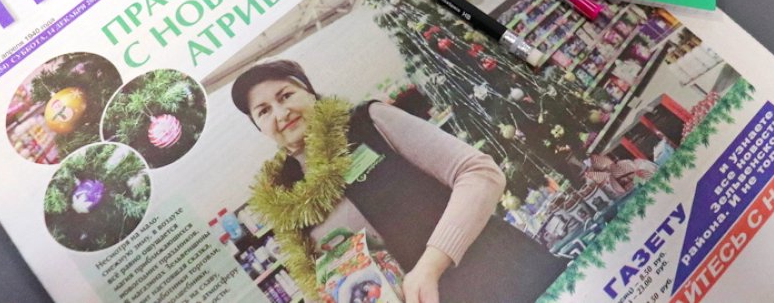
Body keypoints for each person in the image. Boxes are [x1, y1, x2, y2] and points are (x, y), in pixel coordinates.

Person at [232, 59, 566, 303]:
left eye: (285, 95)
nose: (280, 113)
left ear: (309, 92)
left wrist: (431, 266)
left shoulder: (368, 122)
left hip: (502, 276)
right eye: (263, 111)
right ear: (260, 127)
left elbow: (480, 174)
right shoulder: (290, 202)